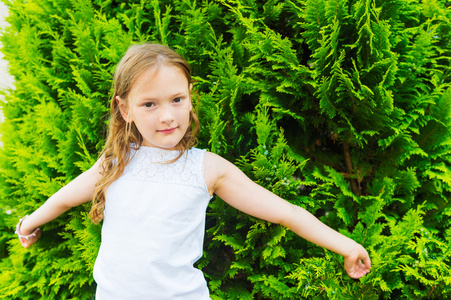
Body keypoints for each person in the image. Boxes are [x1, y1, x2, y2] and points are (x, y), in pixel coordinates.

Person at [15, 43, 371, 299]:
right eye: (149, 104)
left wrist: (346, 245)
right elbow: (64, 198)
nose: (167, 116)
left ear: (189, 95)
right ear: (125, 110)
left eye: (177, 100)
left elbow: (286, 213)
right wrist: (29, 222)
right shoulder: (115, 163)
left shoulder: (206, 168)